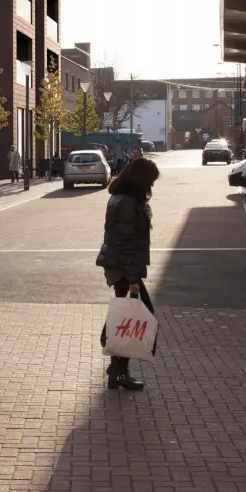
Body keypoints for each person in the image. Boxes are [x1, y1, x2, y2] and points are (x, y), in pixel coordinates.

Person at [97, 157, 161, 390]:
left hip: (120, 266)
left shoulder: (122, 198)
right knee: (136, 316)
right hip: (124, 268)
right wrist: (133, 279)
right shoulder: (126, 203)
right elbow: (125, 243)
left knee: (127, 318)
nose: (151, 185)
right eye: (150, 181)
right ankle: (117, 367)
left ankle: (117, 371)